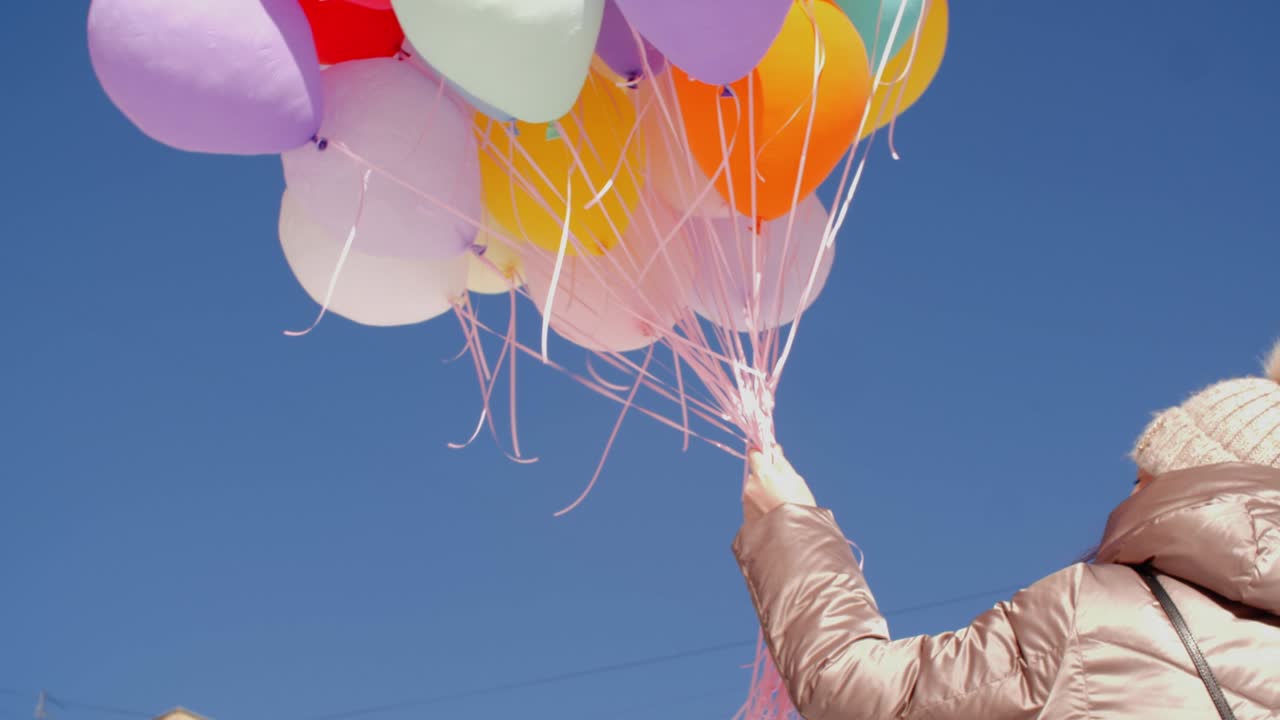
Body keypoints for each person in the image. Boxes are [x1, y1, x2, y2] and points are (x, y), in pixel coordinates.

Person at [736, 341, 1280, 719]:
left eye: (1144, 479)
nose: (1130, 497)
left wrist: (790, 523)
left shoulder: (1091, 616)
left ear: (1186, 484)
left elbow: (857, 690)